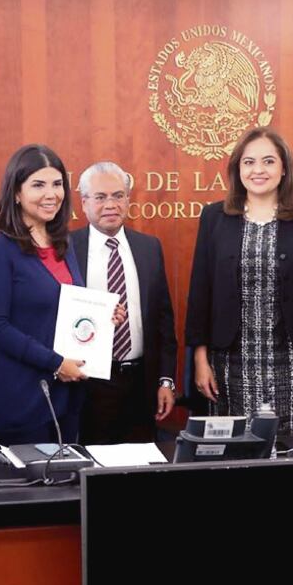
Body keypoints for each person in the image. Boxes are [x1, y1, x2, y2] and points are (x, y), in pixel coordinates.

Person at [185, 127, 293, 434]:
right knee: (235, 451)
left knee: (292, 451)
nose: (258, 170)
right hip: (230, 364)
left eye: (268, 161)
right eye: (249, 162)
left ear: (283, 169)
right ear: (237, 169)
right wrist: (200, 360)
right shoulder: (215, 217)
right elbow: (200, 293)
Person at [0, 144, 114, 445]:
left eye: (57, 184)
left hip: (67, 391)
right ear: (16, 192)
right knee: (31, 489)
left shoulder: (61, 240)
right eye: (38, 185)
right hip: (22, 393)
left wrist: (103, 318)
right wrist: (54, 363)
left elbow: (65, 307)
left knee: (66, 486)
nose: (51, 194)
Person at [71, 161, 178, 443]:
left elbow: (164, 322)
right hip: (89, 384)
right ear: (83, 203)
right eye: (100, 197)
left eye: (118, 196)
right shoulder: (66, 249)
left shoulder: (149, 247)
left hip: (141, 383)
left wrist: (165, 380)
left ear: (128, 200)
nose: (110, 204)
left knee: (140, 474)